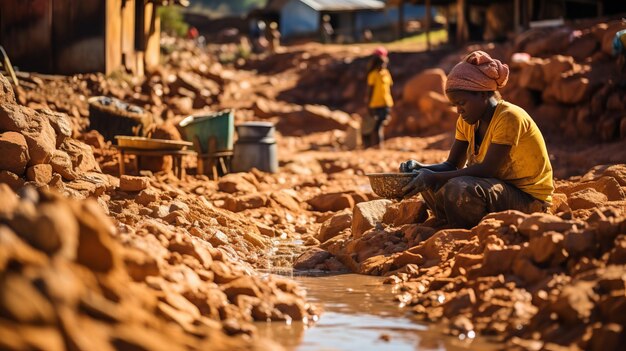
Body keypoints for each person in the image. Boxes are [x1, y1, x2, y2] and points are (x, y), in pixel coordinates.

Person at [399, 50, 554, 229]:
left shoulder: (509, 117)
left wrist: (433, 177)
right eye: (454, 105)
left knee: (458, 187)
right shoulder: (467, 121)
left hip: (528, 200)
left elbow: (487, 169)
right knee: (426, 182)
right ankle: (451, 223)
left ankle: (462, 229)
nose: (458, 110)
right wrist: (421, 169)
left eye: (462, 103)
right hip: (496, 188)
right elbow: (452, 165)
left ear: (481, 94)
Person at [363, 47, 393, 149]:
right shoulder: (373, 75)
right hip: (375, 104)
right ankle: (376, 146)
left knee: (379, 126)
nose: (383, 66)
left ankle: (378, 146)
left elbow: (388, 89)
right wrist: (368, 104)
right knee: (375, 127)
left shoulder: (386, 74)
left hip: (386, 103)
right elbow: (369, 91)